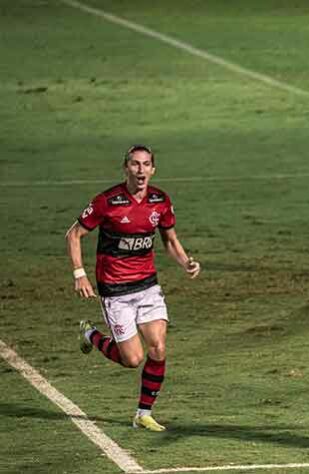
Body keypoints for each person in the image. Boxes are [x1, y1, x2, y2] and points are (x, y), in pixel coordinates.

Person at [65, 145, 201, 432]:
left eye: (146, 164)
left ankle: (143, 413)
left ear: (153, 169)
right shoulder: (107, 201)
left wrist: (187, 262)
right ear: (126, 168)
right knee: (132, 359)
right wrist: (80, 274)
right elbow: (74, 234)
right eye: (135, 164)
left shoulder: (160, 201)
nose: (141, 170)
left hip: (147, 286)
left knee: (158, 348)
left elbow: (170, 241)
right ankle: (90, 333)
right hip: (115, 290)